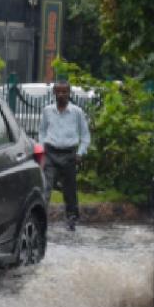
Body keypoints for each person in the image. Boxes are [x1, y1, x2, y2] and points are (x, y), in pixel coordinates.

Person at [38, 80, 91, 231]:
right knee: (46, 187)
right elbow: (42, 131)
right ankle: (40, 219)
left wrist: (80, 153)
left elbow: (85, 135)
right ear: (54, 93)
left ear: (69, 93)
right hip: (50, 153)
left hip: (69, 154)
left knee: (69, 189)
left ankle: (72, 218)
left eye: (64, 92)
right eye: (58, 91)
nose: (61, 94)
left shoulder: (77, 112)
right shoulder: (47, 111)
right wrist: (42, 149)